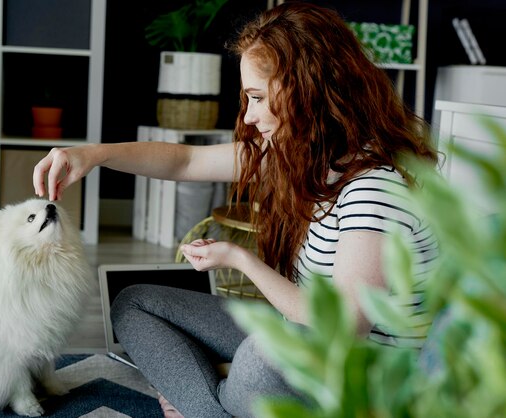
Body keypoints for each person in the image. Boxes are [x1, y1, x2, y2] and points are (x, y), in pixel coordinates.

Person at [33, 2, 440, 417]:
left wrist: (237, 258)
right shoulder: (303, 158)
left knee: (259, 358)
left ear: (308, 87)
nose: (250, 114)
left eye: (258, 97)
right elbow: (185, 161)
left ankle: (206, 399)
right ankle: (217, 401)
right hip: (298, 341)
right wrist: (92, 155)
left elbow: (344, 325)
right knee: (132, 303)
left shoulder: (374, 187)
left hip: (359, 381)